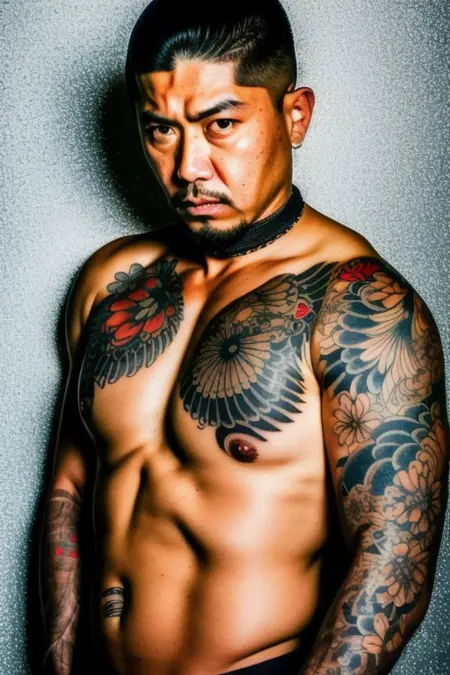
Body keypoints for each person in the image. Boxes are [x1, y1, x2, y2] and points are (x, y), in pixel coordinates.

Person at [40, 1, 449, 674]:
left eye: (220, 124)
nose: (188, 167)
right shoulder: (111, 283)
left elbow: (392, 566)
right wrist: (58, 660)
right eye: (161, 130)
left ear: (295, 115)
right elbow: (69, 487)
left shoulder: (359, 306)